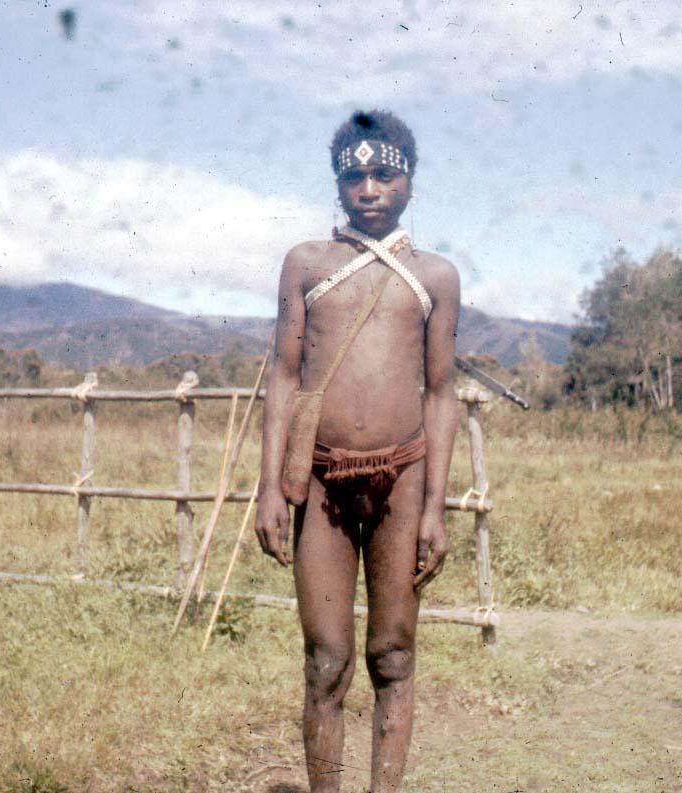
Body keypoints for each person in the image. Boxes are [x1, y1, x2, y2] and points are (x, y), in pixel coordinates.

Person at [254, 109, 460, 793]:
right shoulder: (307, 263)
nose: (368, 188)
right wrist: (267, 491)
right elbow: (283, 376)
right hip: (319, 483)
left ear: (409, 180)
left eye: (383, 173)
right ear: (338, 183)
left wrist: (434, 507)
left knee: (393, 654)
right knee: (326, 658)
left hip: (403, 478)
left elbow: (439, 393)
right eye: (354, 175)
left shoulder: (434, 276)